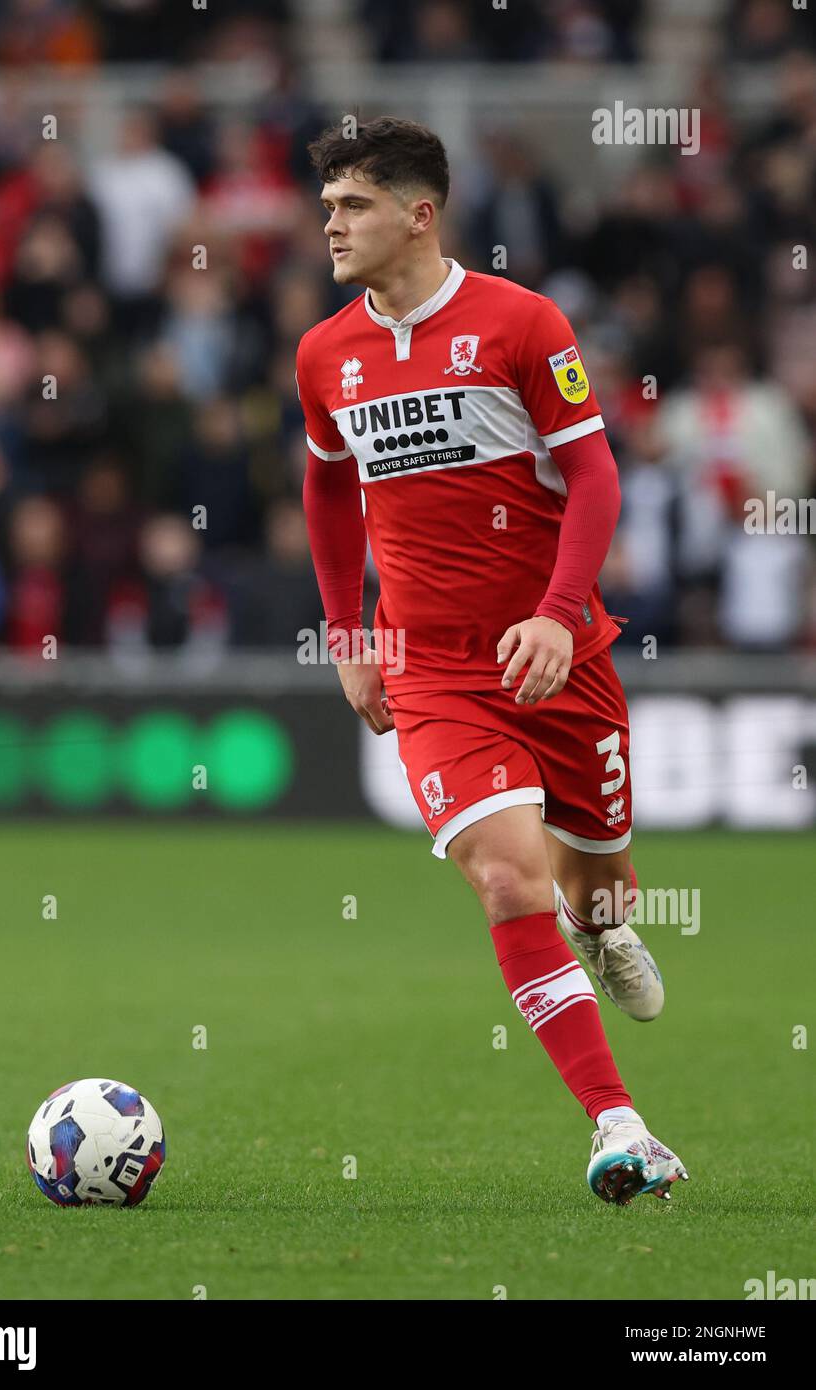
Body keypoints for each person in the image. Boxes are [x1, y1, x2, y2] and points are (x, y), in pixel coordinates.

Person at [297, 117, 689, 1206]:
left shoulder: (521, 323)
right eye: (327, 204)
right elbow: (327, 487)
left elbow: (596, 478)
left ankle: (599, 927)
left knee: (598, 880)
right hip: (431, 668)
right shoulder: (324, 352)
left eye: (352, 204)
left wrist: (561, 616)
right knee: (508, 873)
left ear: (419, 214)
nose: (330, 222)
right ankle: (621, 1129)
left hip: (557, 656)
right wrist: (350, 636)